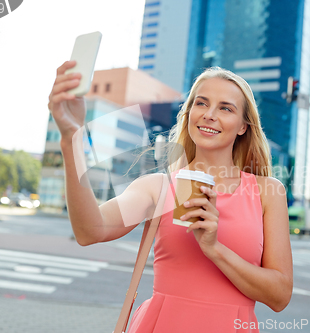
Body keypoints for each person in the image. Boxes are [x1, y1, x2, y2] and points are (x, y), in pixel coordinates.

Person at [48, 60, 293, 332]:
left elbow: (280, 296)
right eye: (201, 103)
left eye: (225, 108)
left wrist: (215, 249)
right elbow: (89, 231)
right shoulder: (158, 187)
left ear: (243, 126)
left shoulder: (267, 192)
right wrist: (71, 139)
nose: (209, 114)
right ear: (188, 113)